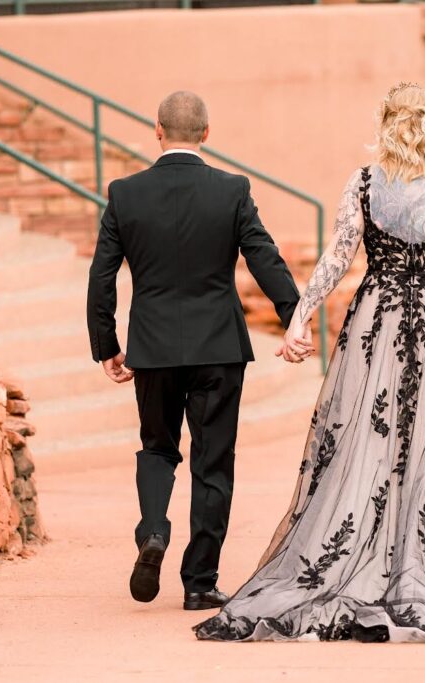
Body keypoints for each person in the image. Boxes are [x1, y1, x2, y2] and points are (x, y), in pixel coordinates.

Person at [194, 83, 425, 642]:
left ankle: (359, 568)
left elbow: (338, 256)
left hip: (378, 325)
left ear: (386, 125)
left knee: (370, 442)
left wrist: (301, 317)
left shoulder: (363, 183)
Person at [85, 91, 300, 611]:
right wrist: (294, 317)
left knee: (157, 448)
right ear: (207, 133)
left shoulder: (125, 194)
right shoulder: (232, 190)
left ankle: (155, 530)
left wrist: (107, 345)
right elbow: (262, 256)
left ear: (156, 129)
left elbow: (102, 277)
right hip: (219, 348)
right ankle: (200, 582)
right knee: (213, 463)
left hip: (153, 348)